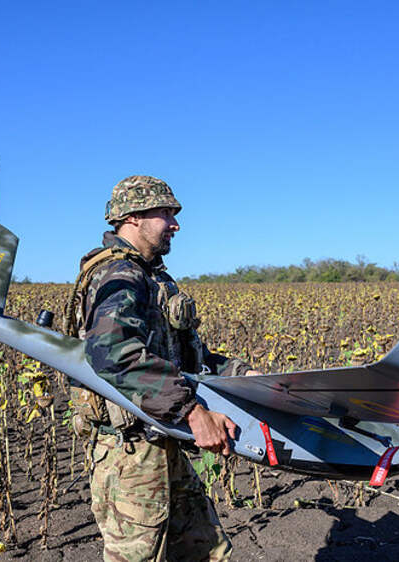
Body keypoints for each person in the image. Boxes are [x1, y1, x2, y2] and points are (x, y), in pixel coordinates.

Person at [64, 175, 257, 562]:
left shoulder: (151, 277)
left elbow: (188, 358)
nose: (175, 224)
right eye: (165, 213)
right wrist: (193, 412)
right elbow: (114, 352)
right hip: (130, 454)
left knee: (207, 551)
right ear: (132, 217)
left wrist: (245, 376)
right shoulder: (118, 275)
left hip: (163, 439)